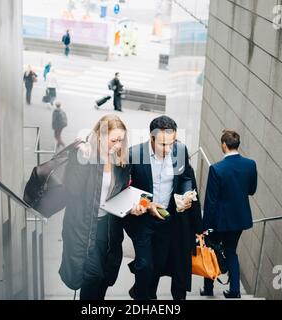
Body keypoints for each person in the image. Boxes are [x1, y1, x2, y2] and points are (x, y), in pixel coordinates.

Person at [124, 116, 202, 300]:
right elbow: (126, 189)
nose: (168, 149)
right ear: (151, 138)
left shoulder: (180, 151)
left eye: (172, 143)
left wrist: (185, 195)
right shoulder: (134, 154)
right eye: (163, 144)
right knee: (145, 265)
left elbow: (185, 178)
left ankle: (144, 293)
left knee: (157, 266)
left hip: (167, 219)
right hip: (142, 220)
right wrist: (147, 205)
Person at [59, 114, 131, 300]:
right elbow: (72, 191)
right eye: (113, 140)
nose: (117, 145)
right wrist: (82, 156)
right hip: (83, 229)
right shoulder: (84, 154)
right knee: (93, 276)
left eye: (120, 140)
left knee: (104, 278)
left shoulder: (120, 161)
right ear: (100, 135)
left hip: (108, 230)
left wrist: (134, 205)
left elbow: (121, 192)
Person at [201, 129, 257, 299]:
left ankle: (209, 289)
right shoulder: (250, 164)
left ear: (224, 145)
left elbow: (210, 202)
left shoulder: (217, 169)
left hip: (219, 221)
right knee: (231, 252)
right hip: (239, 219)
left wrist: (205, 227)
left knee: (211, 251)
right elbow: (252, 191)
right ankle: (234, 291)